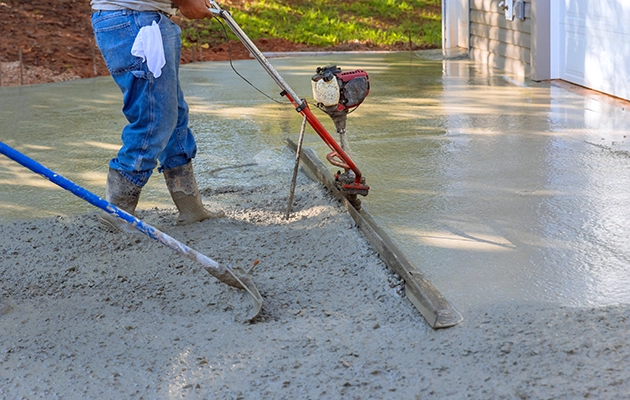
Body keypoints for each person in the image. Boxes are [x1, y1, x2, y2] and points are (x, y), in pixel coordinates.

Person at [90, 0, 223, 232]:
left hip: (150, 17)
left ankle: (190, 207)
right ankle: (117, 211)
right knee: (155, 117)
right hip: (131, 19)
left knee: (174, 113)